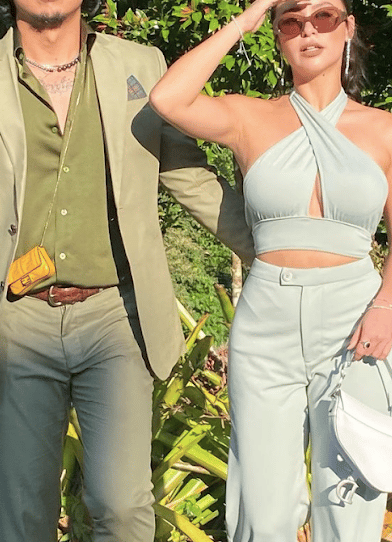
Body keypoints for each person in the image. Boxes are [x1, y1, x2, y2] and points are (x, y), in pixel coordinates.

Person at [0, 0, 256, 540]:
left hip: (117, 316)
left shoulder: (141, 64)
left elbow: (187, 177)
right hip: (13, 324)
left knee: (122, 508)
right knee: (22, 515)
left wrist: (279, 251)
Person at [150, 0, 392, 540]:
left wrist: (386, 307)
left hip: (358, 315)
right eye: (292, 21)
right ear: (279, 37)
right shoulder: (249, 116)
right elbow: (168, 98)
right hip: (266, 319)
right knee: (263, 507)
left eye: (324, 17)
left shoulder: (384, 130)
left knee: (350, 492)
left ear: (348, 28)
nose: (309, 30)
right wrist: (246, 20)